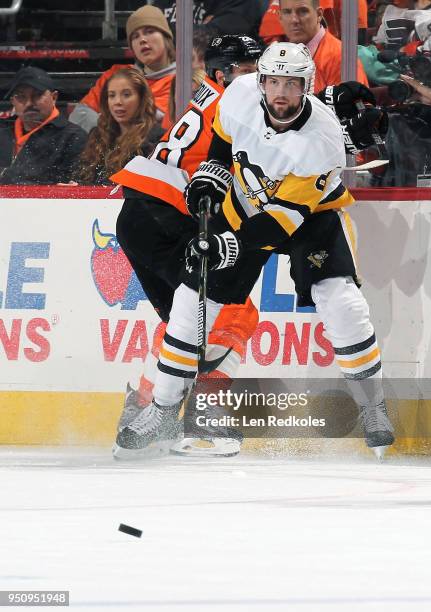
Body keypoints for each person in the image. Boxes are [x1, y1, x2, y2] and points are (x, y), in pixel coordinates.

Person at [115, 42, 395, 460]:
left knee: (341, 300)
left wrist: (232, 244)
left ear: (307, 87)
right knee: (192, 301)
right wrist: (211, 175)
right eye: (274, 82)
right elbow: (223, 144)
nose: (280, 93)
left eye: (292, 84)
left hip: (309, 219)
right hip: (244, 203)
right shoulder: (241, 93)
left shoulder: (324, 140)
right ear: (261, 81)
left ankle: (373, 405)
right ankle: (163, 405)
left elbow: (284, 217)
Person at [111, 35, 263, 459]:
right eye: (249, 70)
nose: (259, 79)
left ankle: (141, 412)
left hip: (143, 215)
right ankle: (204, 424)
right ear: (221, 74)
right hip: (169, 216)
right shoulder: (234, 106)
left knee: (184, 321)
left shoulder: (213, 97)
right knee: (231, 311)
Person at [69, 5, 176, 133]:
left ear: (166, 37)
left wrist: (106, 121)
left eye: (149, 31)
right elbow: (78, 116)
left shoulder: (184, 81)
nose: (142, 39)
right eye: (135, 36)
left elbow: (151, 126)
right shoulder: (116, 74)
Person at [73, 68, 162, 185]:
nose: (118, 102)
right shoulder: (97, 136)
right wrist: (76, 187)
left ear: (142, 99)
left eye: (126, 95)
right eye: (112, 95)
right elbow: (82, 177)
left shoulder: (157, 139)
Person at [0, 66, 87, 185]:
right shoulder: (2, 133)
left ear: (54, 97)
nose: (29, 103)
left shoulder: (73, 137)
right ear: (13, 102)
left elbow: (81, 186)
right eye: (21, 96)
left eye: (37, 95)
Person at [259, 0, 368, 93]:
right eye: (287, 12)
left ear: (319, 14)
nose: (294, 20)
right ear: (280, 17)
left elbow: (355, 112)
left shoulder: (342, 57)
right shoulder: (273, 57)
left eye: (303, 11)